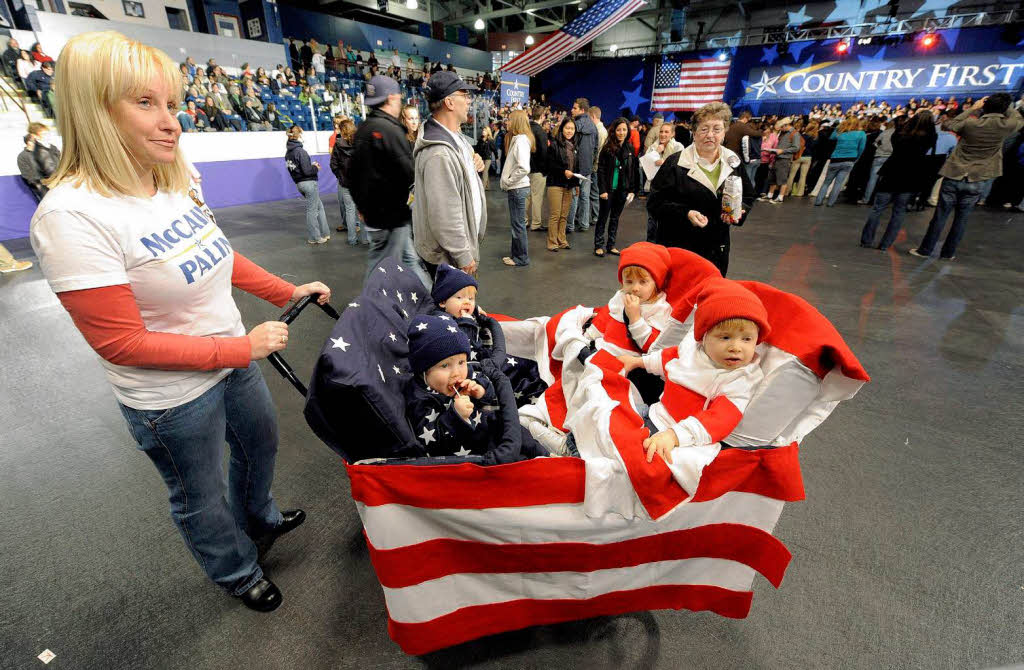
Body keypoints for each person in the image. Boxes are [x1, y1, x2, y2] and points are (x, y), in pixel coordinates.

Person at [30, 31, 331, 612]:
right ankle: (239, 571)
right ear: (95, 110)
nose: (171, 121)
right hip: (170, 395)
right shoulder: (71, 215)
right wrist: (241, 350)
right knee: (200, 495)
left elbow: (220, 256)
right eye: (146, 103)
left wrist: (286, 291)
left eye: (171, 103)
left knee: (261, 445)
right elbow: (121, 342)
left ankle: (260, 520)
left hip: (231, 357)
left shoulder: (172, 178)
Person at [616, 278, 767, 483]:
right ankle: (575, 441)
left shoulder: (740, 379)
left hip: (677, 437)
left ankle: (575, 453)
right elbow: (669, 358)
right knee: (610, 410)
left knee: (620, 451)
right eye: (725, 338)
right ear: (704, 338)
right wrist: (637, 362)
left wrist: (674, 436)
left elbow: (719, 420)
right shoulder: (694, 350)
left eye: (747, 339)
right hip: (655, 413)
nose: (736, 347)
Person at [403, 315, 547, 463]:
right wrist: (455, 416)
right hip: (474, 452)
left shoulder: (465, 375)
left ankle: (550, 456)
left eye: (461, 362)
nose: (457, 372)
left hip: (492, 429)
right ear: (424, 370)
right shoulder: (418, 398)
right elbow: (430, 443)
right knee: (520, 460)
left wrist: (480, 392)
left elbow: (491, 395)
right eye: (445, 366)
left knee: (524, 437)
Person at [910, 94, 1024, 260]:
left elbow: (948, 124)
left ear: (985, 106)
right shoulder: (1007, 125)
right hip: (978, 178)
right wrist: (1003, 106)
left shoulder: (971, 123)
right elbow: (1018, 117)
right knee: (962, 219)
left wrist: (973, 108)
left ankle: (925, 250)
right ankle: (948, 253)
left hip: (955, 174)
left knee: (940, 216)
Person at [648, 102, 754, 276]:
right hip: (680, 246)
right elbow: (655, 203)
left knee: (710, 295)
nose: (710, 135)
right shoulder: (676, 163)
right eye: (704, 129)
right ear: (694, 132)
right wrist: (685, 214)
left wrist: (739, 212)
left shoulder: (732, 161)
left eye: (717, 129)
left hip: (717, 247)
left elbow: (748, 196)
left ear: (725, 131)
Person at [349, 75, 428, 283]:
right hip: (391, 218)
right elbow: (408, 173)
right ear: (392, 98)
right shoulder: (390, 130)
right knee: (381, 269)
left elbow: (352, 175)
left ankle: (430, 299)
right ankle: (369, 310)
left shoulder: (363, 129)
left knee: (409, 260)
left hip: (376, 217)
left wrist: (363, 208)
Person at [412, 71, 487, 278]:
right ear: (449, 103)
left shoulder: (456, 138)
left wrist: (475, 164)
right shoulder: (439, 153)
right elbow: (444, 213)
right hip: (450, 257)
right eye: (464, 95)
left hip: (456, 250)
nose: (469, 101)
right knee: (456, 309)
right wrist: (463, 254)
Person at [860, 111, 937, 251]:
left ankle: (866, 240)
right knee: (899, 212)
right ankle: (885, 244)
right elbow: (931, 143)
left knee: (878, 208)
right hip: (911, 176)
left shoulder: (901, 133)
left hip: (892, 171)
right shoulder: (929, 136)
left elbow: (895, 141)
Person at [594, 117, 640, 257]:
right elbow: (600, 170)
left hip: (622, 190)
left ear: (628, 131)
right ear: (614, 131)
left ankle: (611, 245)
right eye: (619, 130)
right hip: (608, 190)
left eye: (624, 130)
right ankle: (598, 245)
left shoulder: (630, 148)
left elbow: (632, 170)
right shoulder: (607, 148)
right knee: (603, 218)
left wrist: (632, 190)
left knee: (615, 218)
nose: (621, 132)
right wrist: (602, 190)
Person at [499, 109, 534, 267]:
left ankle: (521, 258)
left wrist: (509, 181)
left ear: (517, 122)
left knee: (518, 225)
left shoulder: (520, 140)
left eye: (509, 120)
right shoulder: (520, 139)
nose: (507, 122)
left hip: (517, 188)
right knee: (517, 225)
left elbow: (524, 168)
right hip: (518, 188)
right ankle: (516, 256)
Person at [285, 125, 331, 244]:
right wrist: (315, 167)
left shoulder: (288, 154)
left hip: (300, 184)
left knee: (319, 207)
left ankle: (326, 233)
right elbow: (307, 171)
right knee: (312, 210)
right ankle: (314, 237)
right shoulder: (301, 152)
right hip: (309, 183)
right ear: (298, 135)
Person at [329, 119, 368, 246]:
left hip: (346, 184)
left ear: (341, 130)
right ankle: (365, 238)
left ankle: (352, 239)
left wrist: (341, 177)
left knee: (350, 211)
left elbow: (333, 165)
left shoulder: (338, 144)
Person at [644, 121, 684, 241]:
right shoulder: (653, 147)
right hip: (654, 186)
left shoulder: (678, 147)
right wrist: (656, 152)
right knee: (652, 218)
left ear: (672, 134)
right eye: (661, 131)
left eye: (666, 132)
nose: (663, 134)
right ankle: (650, 245)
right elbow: (644, 164)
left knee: (667, 217)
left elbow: (681, 168)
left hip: (671, 188)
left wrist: (665, 162)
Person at [545, 116, 580, 252]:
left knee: (564, 215)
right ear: (562, 129)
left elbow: (576, 168)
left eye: (572, 128)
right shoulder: (554, 144)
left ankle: (562, 240)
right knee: (555, 214)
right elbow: (550, 165)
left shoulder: (574, 147)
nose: (570, 131)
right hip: (555, 183)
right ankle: (552, 242)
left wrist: (576, 184)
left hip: (569, 185)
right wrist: (563, 171)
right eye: (567, 128)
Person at [814, 117, 866, 207]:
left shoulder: (841, 132)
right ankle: (830, 203)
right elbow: (861, 148)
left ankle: (818, 201)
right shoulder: (861, 134)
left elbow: (831, 137)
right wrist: (856, 159)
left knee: (827, 182)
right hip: (850, 160)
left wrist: (838, 126)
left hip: (835, 159)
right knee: (838, 183)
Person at [568, 98, 597, 234]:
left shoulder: (574, 125)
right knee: (585, 196)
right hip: (587, 168)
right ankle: (584, 224)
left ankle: (570, 225)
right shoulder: (593, 126)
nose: (572, 110)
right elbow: (596, 148)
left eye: (574, 108)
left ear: (582, 110)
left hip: (576, 167)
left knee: (574, 195)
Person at [761, 117, 799, 203]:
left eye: (782, 127)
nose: (781, 129)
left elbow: (796, 147)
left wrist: (783, 151)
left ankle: (780, 197)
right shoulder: (784, 133)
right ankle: (770, 195)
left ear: (786, 125)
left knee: (782, 179)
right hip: (777, 157)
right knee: (773, 177)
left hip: (785, 158)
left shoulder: (794, 134)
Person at [525, 107, 549, 230]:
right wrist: (545, 170)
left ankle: (524, 221)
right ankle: (536, 224)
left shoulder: (526, 129)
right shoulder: (541, 132)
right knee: (537, 197)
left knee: (527, 196)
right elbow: (544, 153)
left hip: (526, 168)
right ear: (542, 117)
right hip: (538, 169)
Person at [859, 119, 895, 204]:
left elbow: (875, 143)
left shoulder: (884, 132)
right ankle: (879, 201)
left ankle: (866, 199)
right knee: (884, 181)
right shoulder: (898, 133)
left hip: (879, 156)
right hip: (890, 157)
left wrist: (880, 147)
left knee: (872, 179)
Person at [787, 120, 817, 197]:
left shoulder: (802, 136)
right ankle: (800, 193)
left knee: (791, 175)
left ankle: (787, 191)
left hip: (799, 156)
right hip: (808, 157)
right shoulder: (815, 138)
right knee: (803, 176)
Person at [589, 105, 608, 226]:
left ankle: (596, 216)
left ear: (593, 117)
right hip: (598, 167)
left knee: (595, 193)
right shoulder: (601, 130)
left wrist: (593, 167)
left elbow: (598, 152)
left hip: (597, 167)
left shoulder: (599, 131)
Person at [18, 133, 47, 200]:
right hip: (38, 184)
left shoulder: (42, 152)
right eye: (35, 140)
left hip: (50, 181)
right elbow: (26, 174)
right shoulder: (22, 156)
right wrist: (39, 183)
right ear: (29, 142)